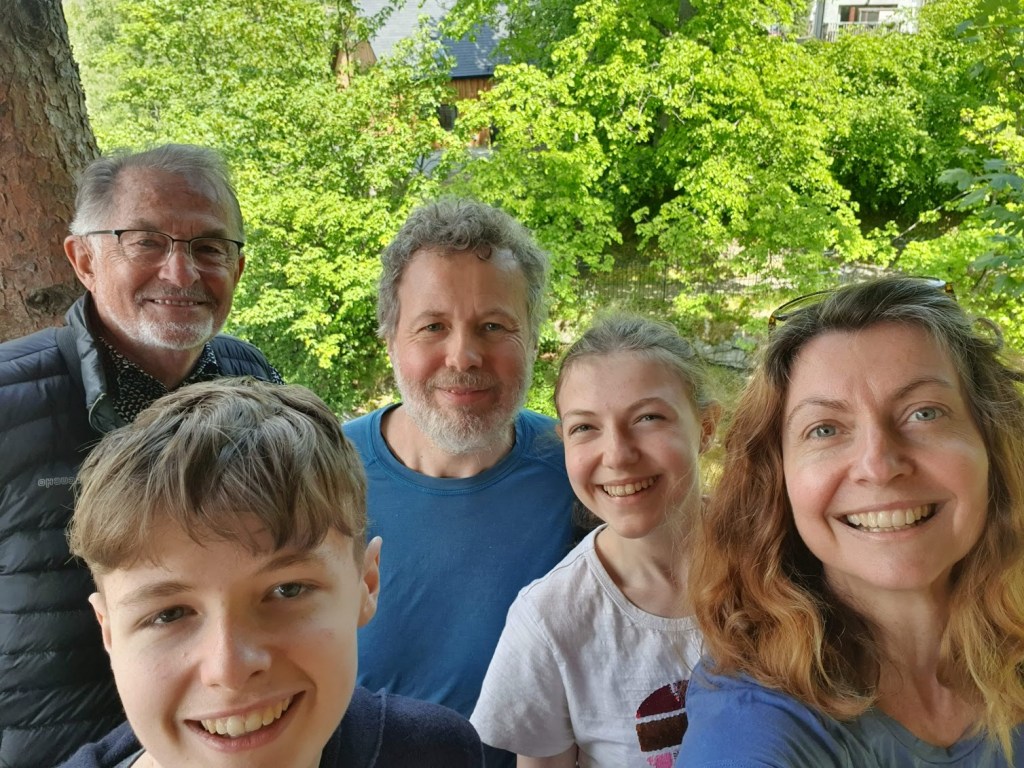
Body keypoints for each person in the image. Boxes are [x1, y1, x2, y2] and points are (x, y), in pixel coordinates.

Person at [0, 144, 282, 767]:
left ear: (236, 268)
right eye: (146, 242)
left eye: (208, 247)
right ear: (83, 260)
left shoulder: (254, 384)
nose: (181, 274)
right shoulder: (8, 404)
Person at [677, 276, 1024, 766]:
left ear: (992, 443)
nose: (878, 465)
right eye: (825, 429)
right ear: (778, 481)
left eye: (924, 412)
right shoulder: (753, 724)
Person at [58, 378, 484, 768]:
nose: (229, 669)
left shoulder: (435, 753)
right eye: (168, 614)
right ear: (108, 630)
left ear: (366, 585)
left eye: (287, 589)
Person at [343, 198, 577, 768]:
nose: (464, 356)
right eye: (433, 326)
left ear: (533, 339)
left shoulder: (583, 471)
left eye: (494, 326)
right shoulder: (319, 475)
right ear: (390, 337)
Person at [471, 314, 720, 768]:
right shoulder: (550, 620)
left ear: (705, 427)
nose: (618, 455)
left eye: (648, 418)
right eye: (585, 428)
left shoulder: (787, 559)